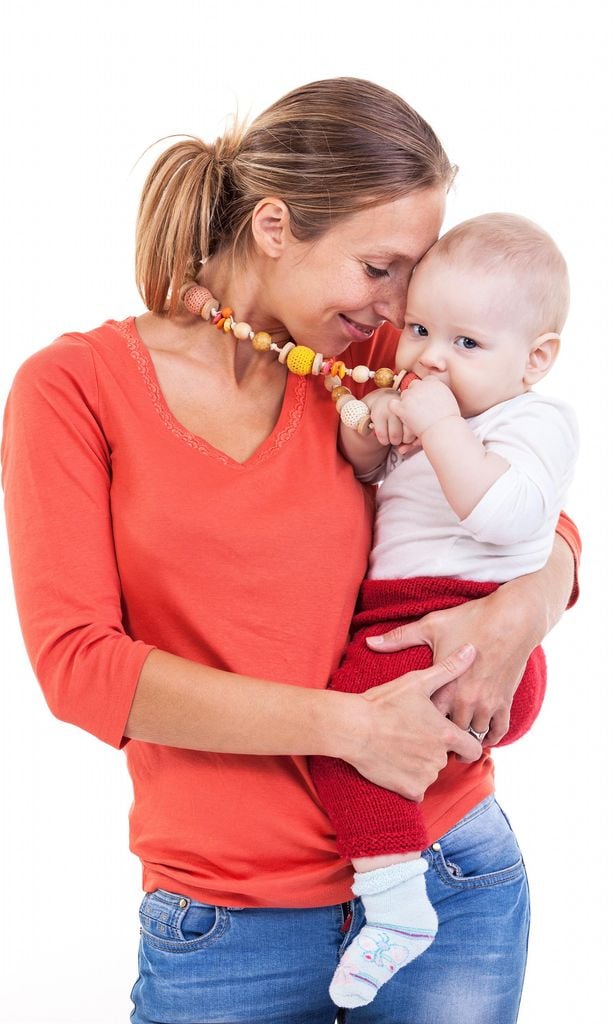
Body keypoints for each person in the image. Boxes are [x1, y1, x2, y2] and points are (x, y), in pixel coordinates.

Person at [1, 78, 580, 1024]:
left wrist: (524, 607)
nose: (402, 304)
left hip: (453, 873)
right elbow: (79, 668)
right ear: (275, 227)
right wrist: (345, 727)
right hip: (231, 921)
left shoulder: (386, 359)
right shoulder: (73, 389)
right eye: (380, 267)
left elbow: (535, 500)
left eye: (415, 274)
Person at [309, 212, 578, 1009]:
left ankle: (395, 906)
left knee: (344, 737)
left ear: (535, 360)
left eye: (466, 343)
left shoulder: (536, 421)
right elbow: (365, 478)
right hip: (404, 616)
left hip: (462, 629)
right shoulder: (430, 411)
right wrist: (377, 434)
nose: (430, 355)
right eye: (422, 328)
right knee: (348, 735)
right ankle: (394, 894)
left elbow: (509, 519)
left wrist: (434, 424)